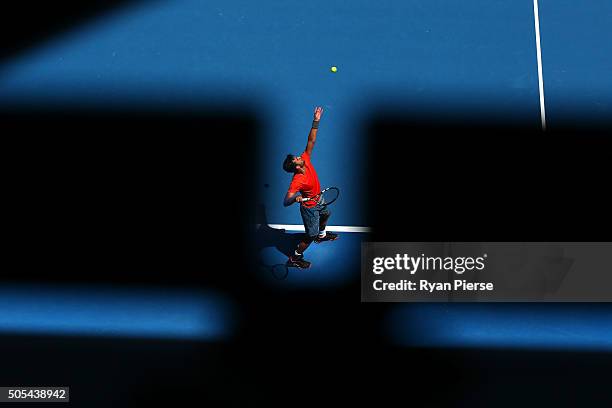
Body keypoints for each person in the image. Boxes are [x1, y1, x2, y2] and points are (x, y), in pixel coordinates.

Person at [282, 106, 338, 268]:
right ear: (296, 166)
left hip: (318, 197)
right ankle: (295, 257)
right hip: (309, 207)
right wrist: (296, 198)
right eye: (296, 159)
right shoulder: (297, 181)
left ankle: (322, 235)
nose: (298, 156)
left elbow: (311, 141)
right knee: (309, 236)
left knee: (326, 214)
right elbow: (286, 201)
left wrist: (316, 121)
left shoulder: (305, 158)